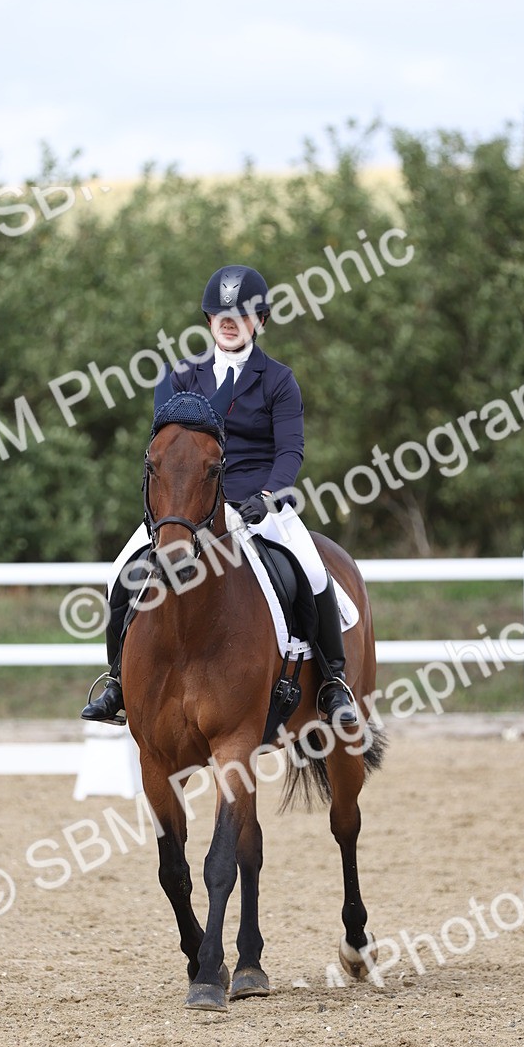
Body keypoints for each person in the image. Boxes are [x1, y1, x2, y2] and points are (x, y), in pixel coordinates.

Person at [81, 264, 356, 727]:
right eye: (220, 314)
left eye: (242, 313)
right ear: (209, 321)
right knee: (119, 574)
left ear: (260, 321)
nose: (229, 321)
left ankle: (332, 683)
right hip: (189, 506)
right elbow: (166, 448)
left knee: (313, 571)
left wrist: (270, 496)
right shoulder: (181, 377)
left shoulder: (278, 381)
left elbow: (291, 449)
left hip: (257, 504)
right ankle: (116, 683)